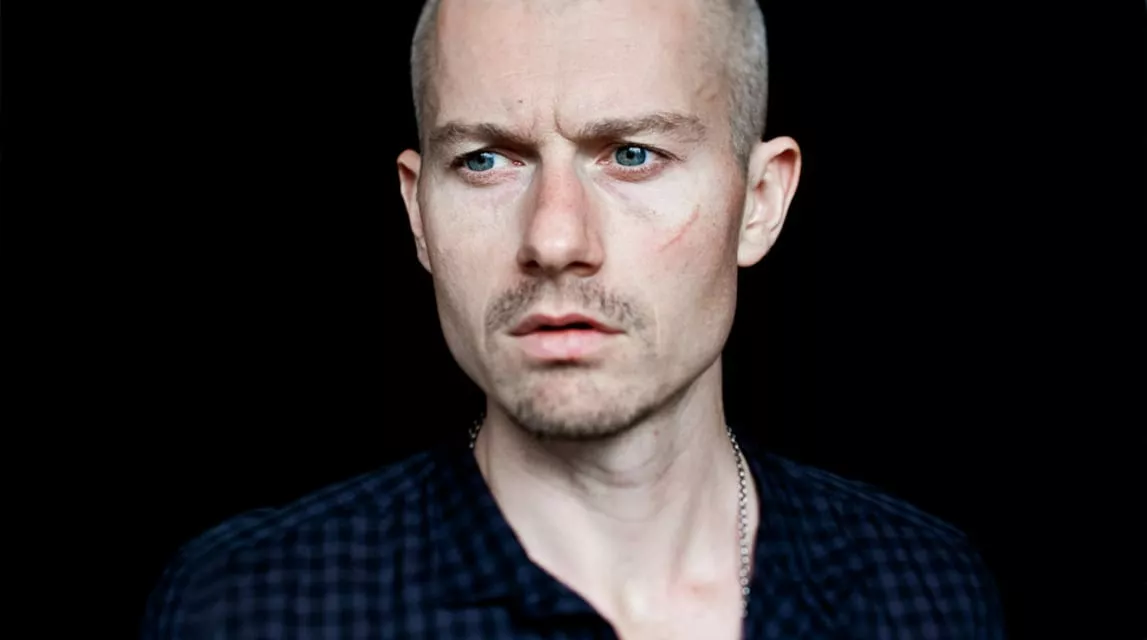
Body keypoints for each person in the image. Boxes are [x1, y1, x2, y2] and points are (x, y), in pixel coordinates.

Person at [141, 0, 1006, 638]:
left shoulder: (921, 590)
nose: (554, 240)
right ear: (417, 213)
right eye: (485, 160)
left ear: (759, 202)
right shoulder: (249, 606)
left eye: (631, 155)